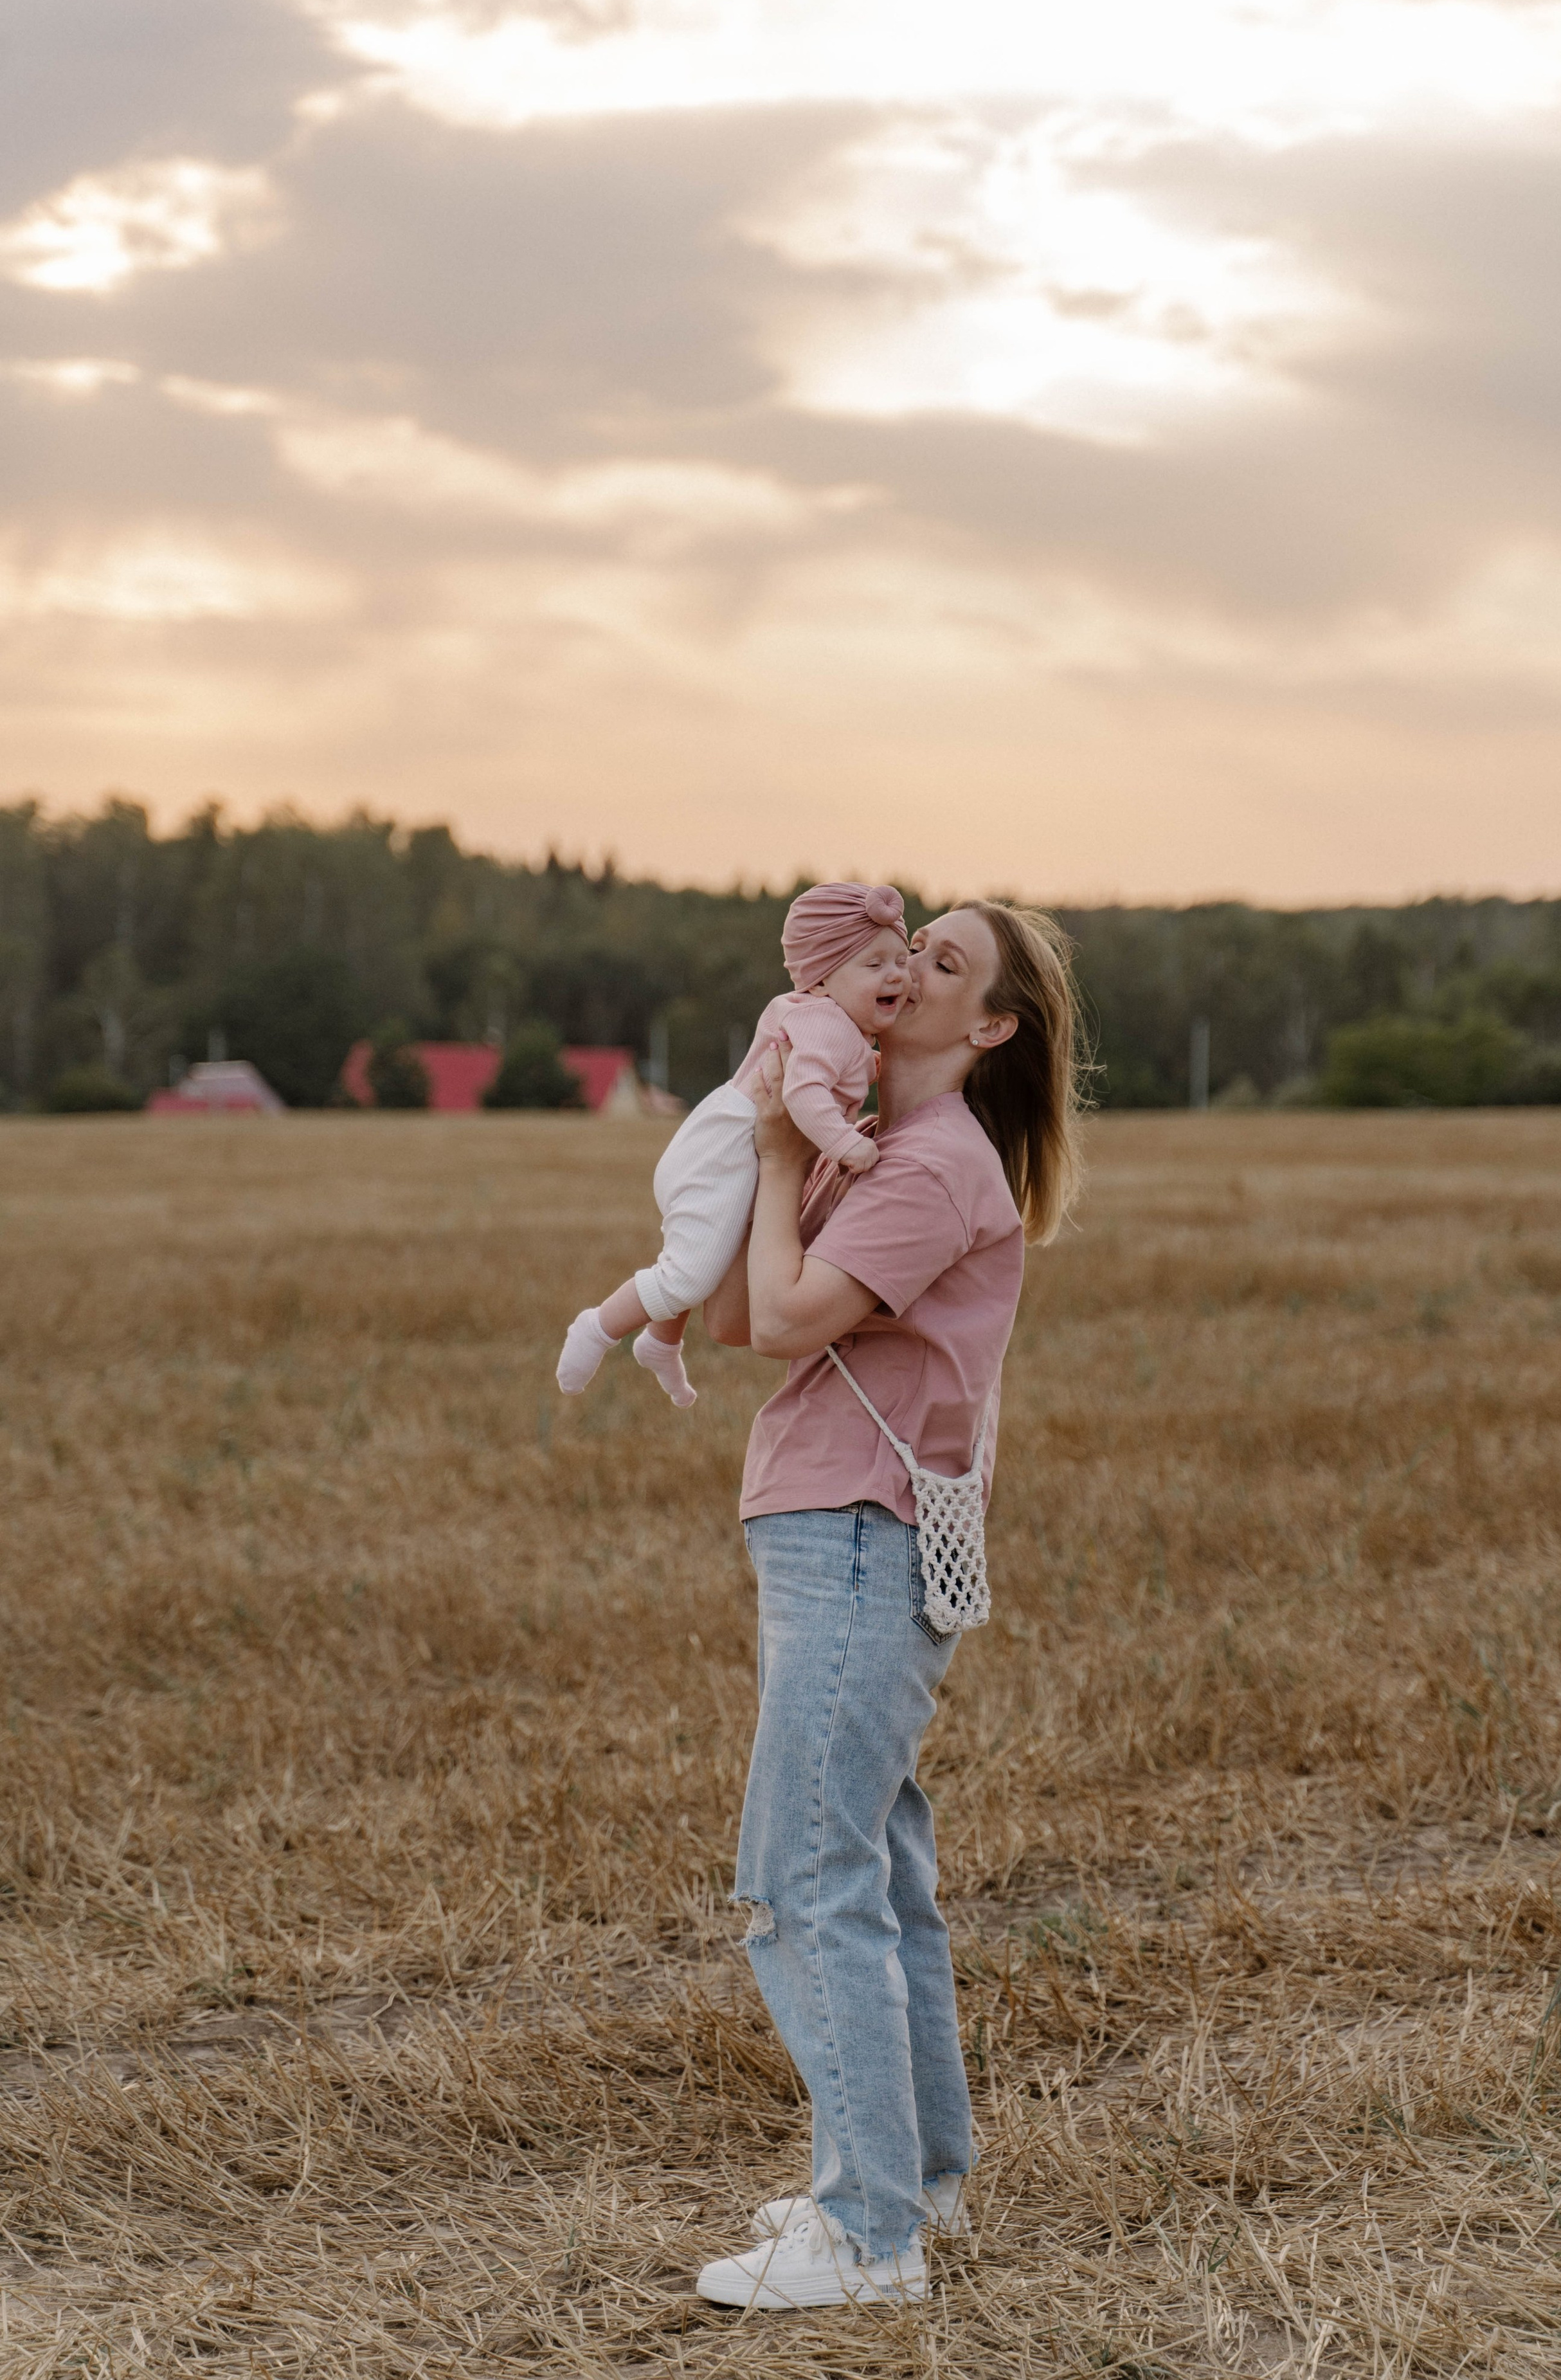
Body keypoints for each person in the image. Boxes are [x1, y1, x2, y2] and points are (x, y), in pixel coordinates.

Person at [690, 900, 1083, 2312]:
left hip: (857, 1532)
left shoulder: (927, 1166)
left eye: (948, 963)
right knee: (875, 1868)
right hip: (841, 1528)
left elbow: (788, 1322)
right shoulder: (888, 1154)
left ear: (988, 1028)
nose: (908, 964)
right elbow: (743, 1314)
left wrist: (788, 1136)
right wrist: (780, 1119)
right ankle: (909, 2181)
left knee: (804, 1876)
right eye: (914, 942)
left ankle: (866, 2237)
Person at [555, 884, 912, 1410]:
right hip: (725, 1155)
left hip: (716, 1144)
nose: (896, 975)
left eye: (903, 961)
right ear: (821, 978)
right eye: (875, 963)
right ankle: (598, 1327)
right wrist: (843, 1145)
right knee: (688, 1275)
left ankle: (662, 1342)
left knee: (700, 1253)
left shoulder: (827, 1020)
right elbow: (804, 1092)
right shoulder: (829, 1024)